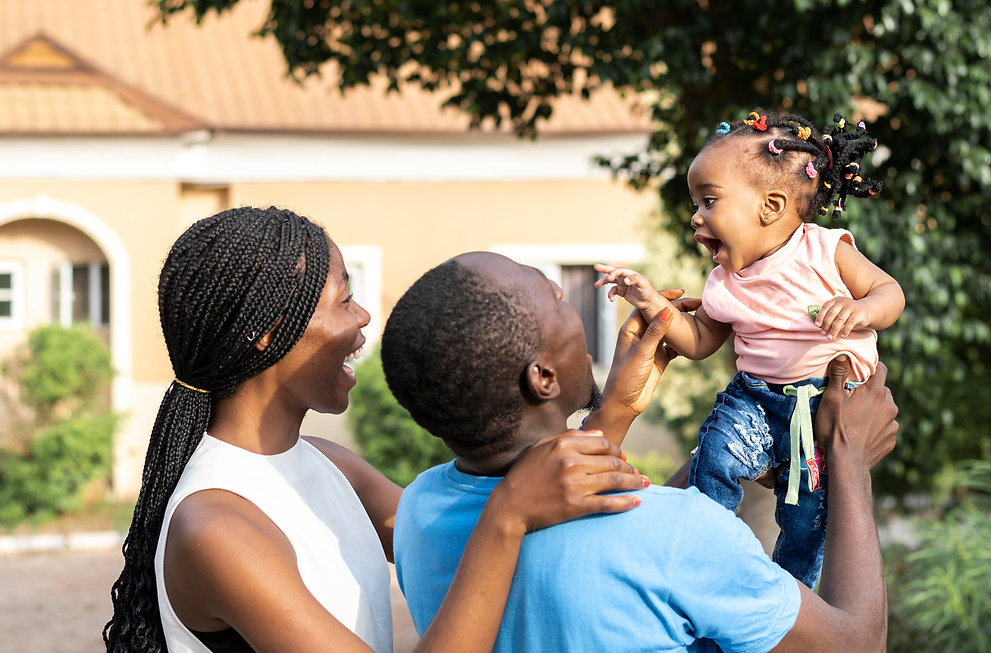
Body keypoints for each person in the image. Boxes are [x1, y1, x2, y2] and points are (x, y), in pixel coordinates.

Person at [102, 206, 651, 653]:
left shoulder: (327, 464)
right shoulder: (216, 526)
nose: (363, 316)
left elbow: (501, 542)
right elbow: (502, 528)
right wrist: (508, 512)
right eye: (343, 299)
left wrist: (618, 409)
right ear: (268, 333)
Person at [384, 250, 898, 652]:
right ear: (543, 377)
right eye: (558, 299)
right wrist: (847, 460)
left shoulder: (419, 511)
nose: (569, 299)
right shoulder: (679, 534)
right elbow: (853, 644)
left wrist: (619, 414)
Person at [595, 111, 905, 587]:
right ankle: (705, 554)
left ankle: (793, 595)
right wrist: (652, 302)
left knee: (807, 522)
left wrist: (861, 310)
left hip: (825, 407)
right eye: (696, 202)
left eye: (709, 200)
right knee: (714, 456)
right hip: (755, 400)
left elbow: (890, 294)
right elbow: (697, 340)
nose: (696, 216)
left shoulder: (825, 251)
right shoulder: (724, 282)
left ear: (771, 205)